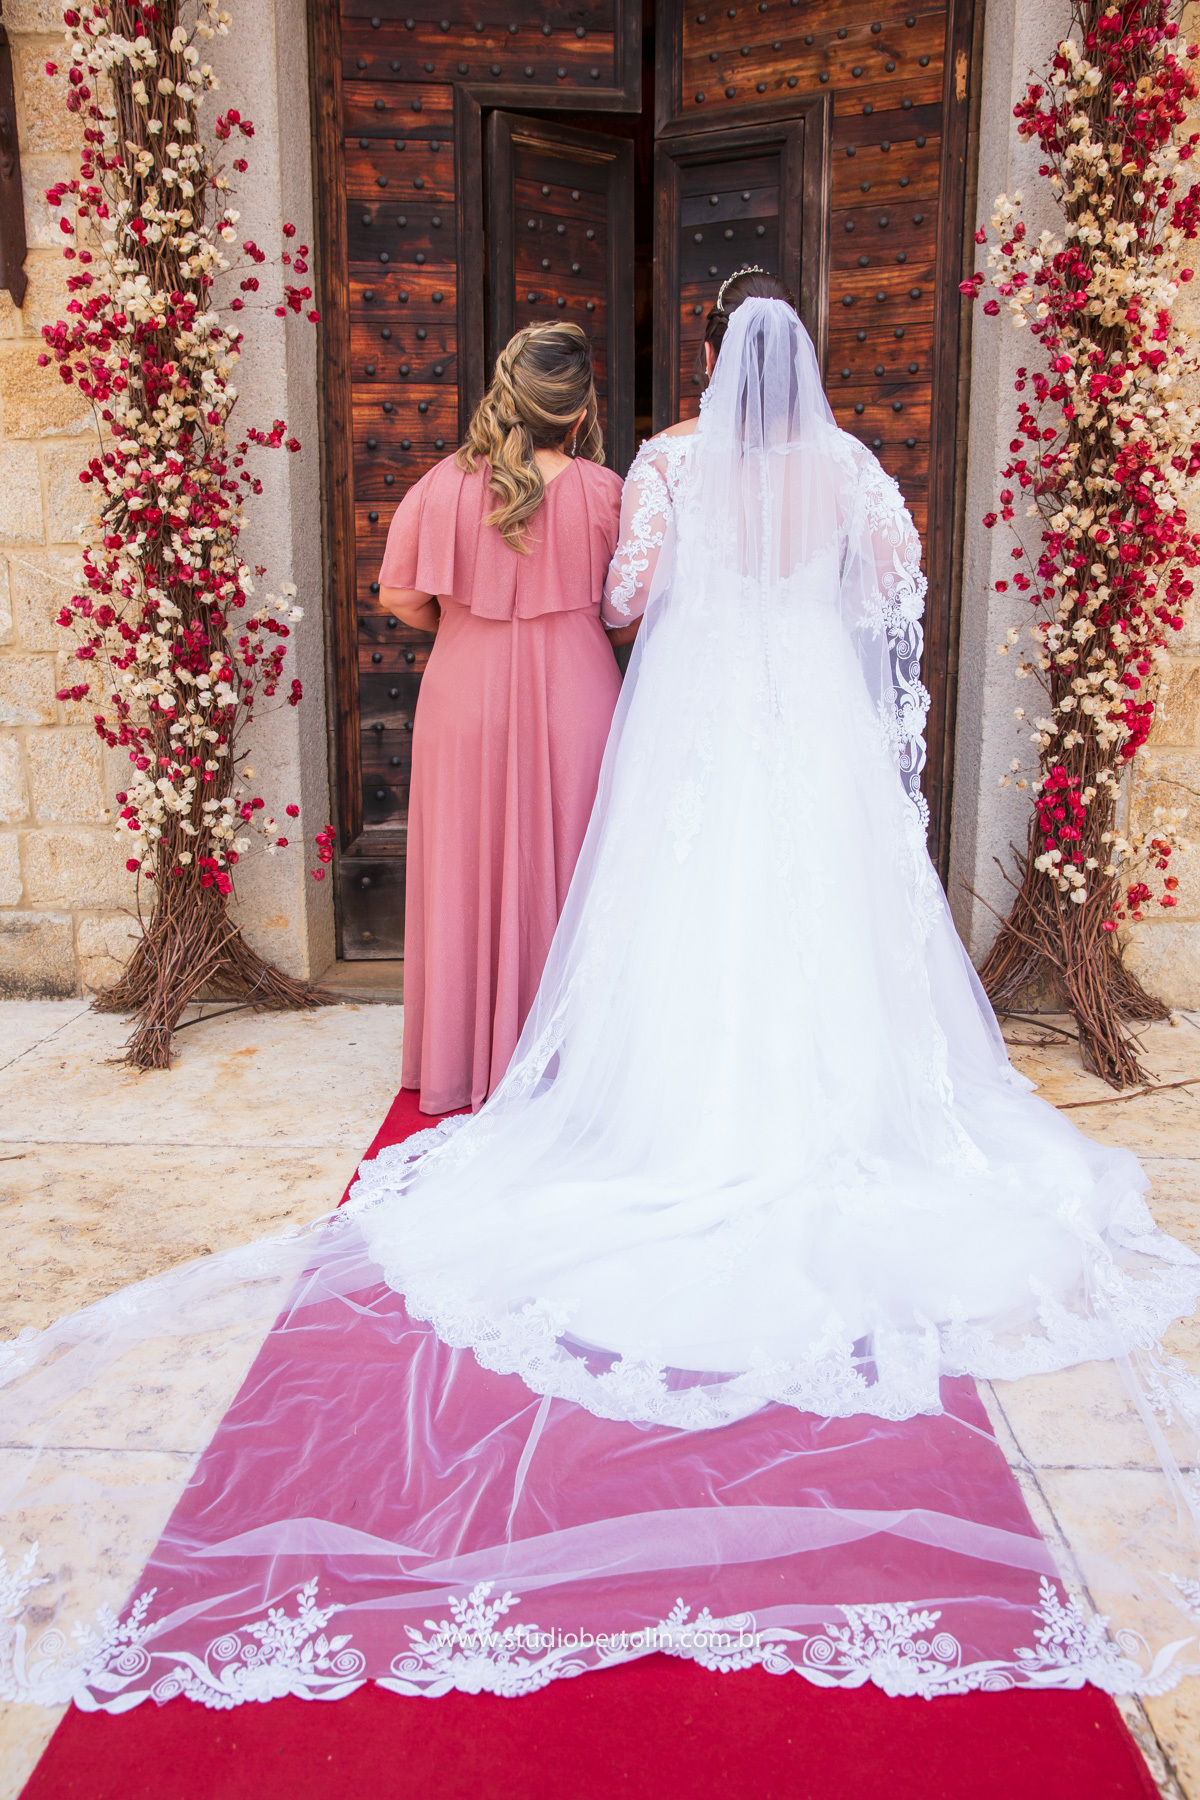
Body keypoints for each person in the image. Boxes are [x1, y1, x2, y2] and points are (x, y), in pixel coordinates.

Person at [5, 273, 1200, 1713]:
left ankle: (672, 1107)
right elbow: (894, 599)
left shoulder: (669, 464)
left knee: (681, 920)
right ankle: (828, 1103)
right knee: (819, 916)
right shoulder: (855, 467)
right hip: (808, 727)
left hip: (703, 730)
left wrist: (695, 597)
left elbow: (629, 596)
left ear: (709, 354)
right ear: (804, 360)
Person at [378, 323, 624, 1113]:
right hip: (577, 691)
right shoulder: (603, 491)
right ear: (580, 409)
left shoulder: (437, 486)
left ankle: (459, 1057)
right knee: (572, 865)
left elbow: (399, 597)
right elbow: (626, 615)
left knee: (465, 863)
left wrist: (464, 620)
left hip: (464, 691)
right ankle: (569, 1057)